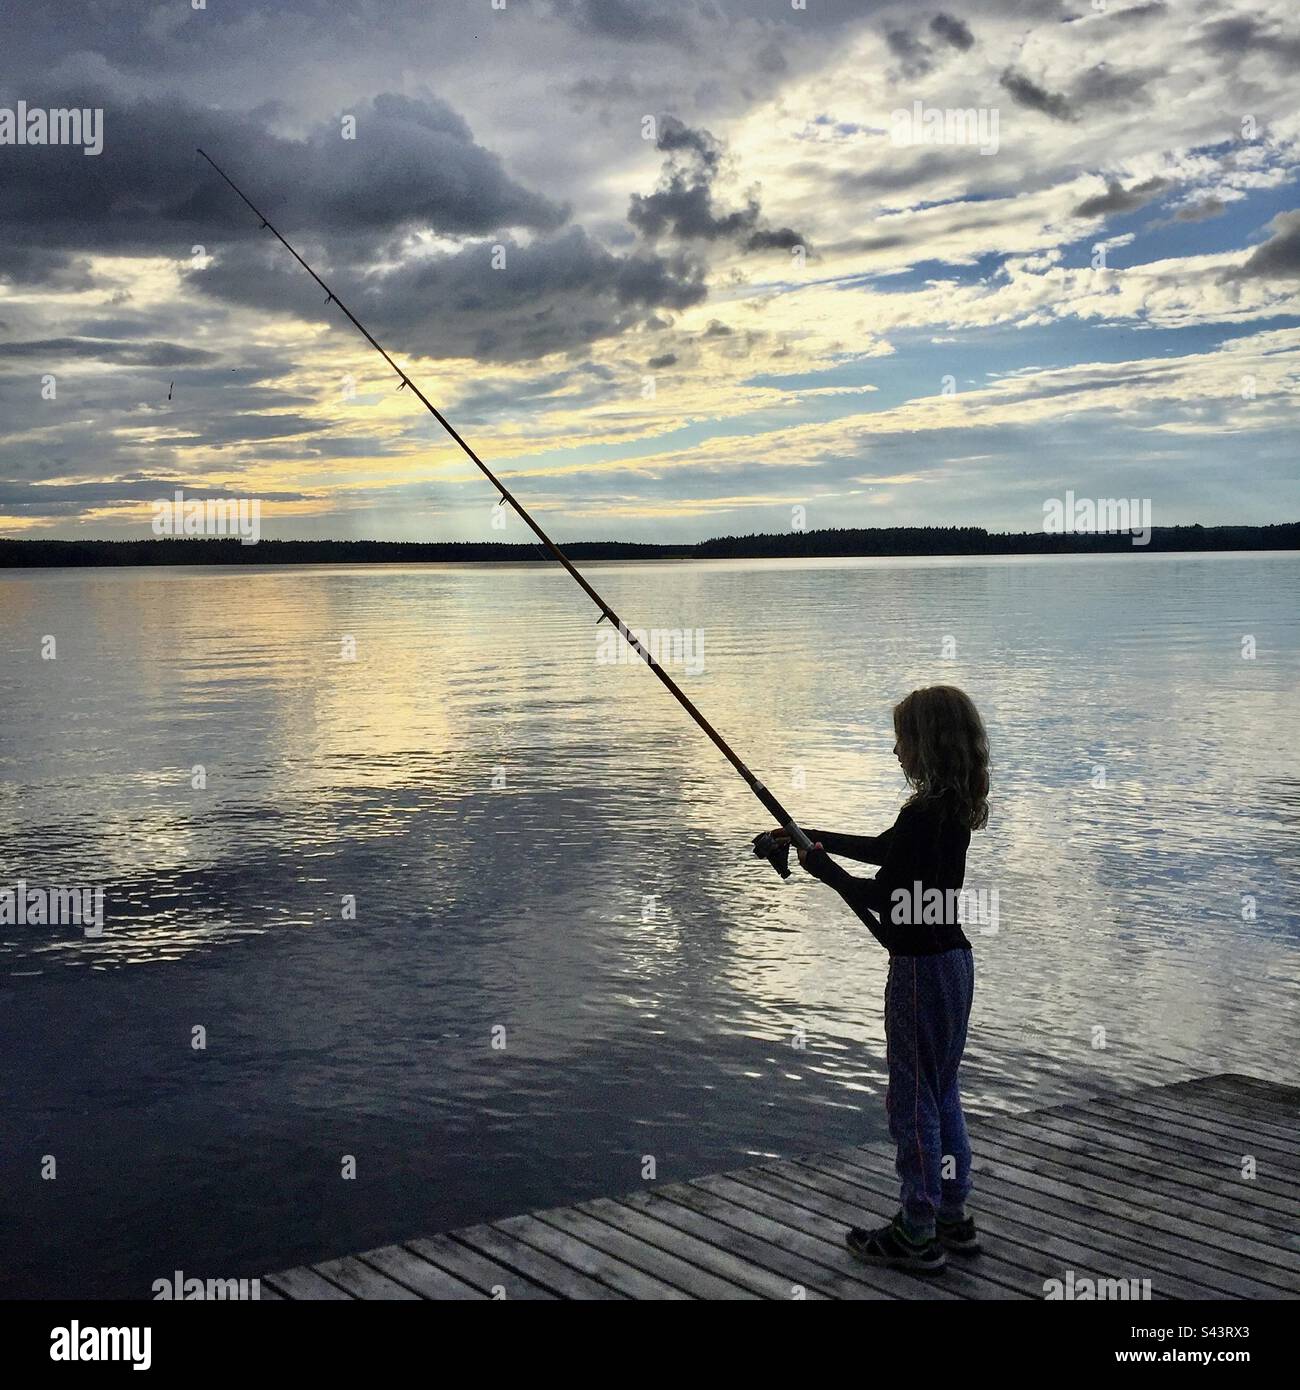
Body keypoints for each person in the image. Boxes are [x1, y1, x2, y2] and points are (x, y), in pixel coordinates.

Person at [763, 684, 989, 1275]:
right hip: (955, 964)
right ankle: (952, 1215)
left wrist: (818, 867)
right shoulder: (946, 812)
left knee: (911, 1102)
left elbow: (881, 897)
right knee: (943, 1092)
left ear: (925, 744)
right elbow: (887, 851)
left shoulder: (924, 816)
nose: (895, 753)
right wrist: (809, 835)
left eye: (901, 741)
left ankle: (917, 1227)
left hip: (917, 974)